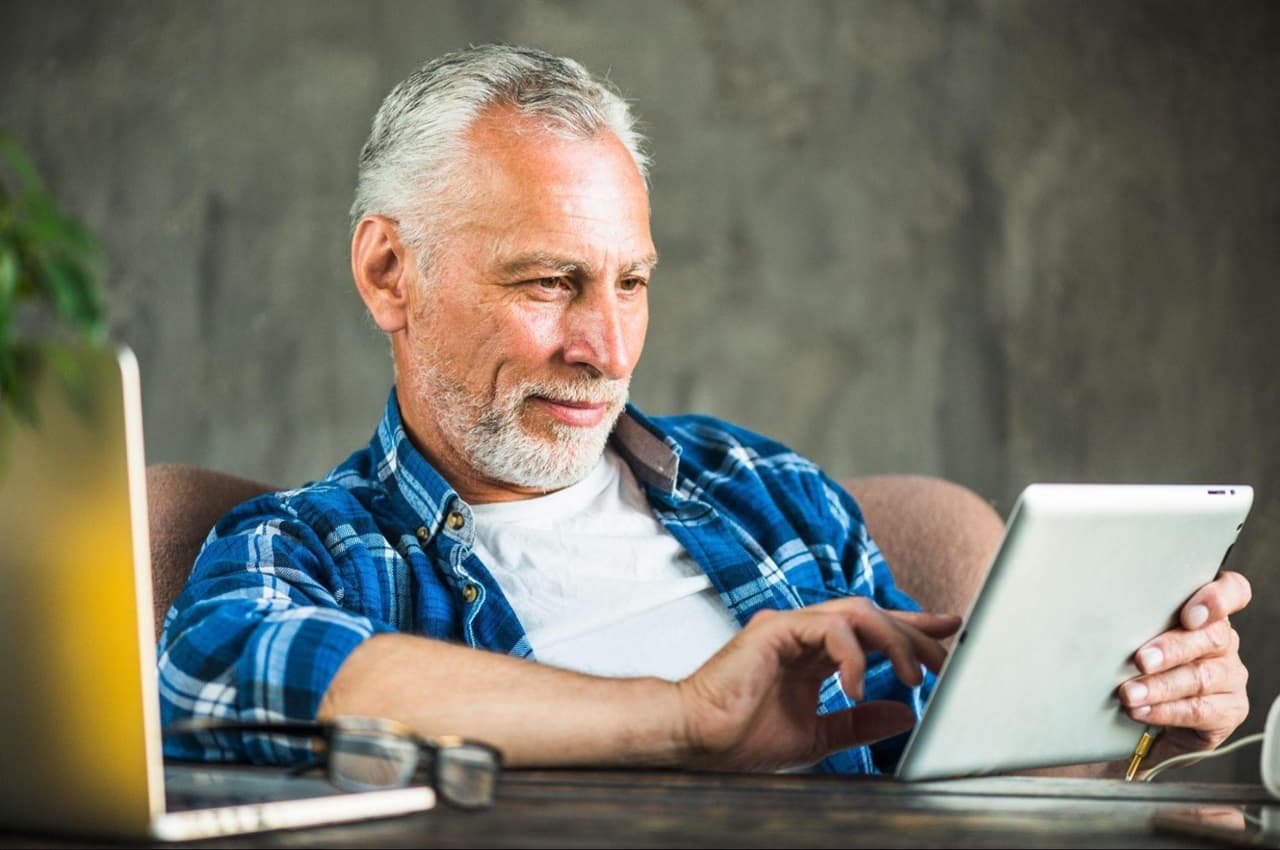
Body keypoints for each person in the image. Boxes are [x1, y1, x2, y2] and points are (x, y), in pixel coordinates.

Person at [158, 44, 1251, 776]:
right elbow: (224, 677)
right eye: (548, 283)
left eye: (628, 282)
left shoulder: (762, 490)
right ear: (390, 272)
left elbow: (948, 764)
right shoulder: (310, 547)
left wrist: (1137, 714)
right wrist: (685, 716)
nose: (606, 348)